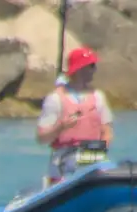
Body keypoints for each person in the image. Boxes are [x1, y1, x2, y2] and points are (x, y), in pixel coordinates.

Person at [36, 47, 114, 185]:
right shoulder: (55, 99)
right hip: (64, 157)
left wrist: (98, 152)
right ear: (80, 69)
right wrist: (60, 127)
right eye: (91, 66)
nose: (94, 70)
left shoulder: (98, 97)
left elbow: (106, 132)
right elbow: (41, 138)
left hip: (93, 154)